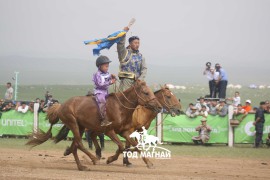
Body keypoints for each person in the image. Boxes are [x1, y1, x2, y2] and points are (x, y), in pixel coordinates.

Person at [117, 26, 147, 91]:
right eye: (135, 43)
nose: (137, 45)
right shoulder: (124, 53)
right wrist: (123, 33)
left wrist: (140, 79)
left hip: (137, 83)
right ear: (130, 44)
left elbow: (144, 69)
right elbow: (120, 45)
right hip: (126, 82)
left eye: (138, 43)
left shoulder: (141, 56)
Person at [93, 55, 116, 126]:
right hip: (99, 92)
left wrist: (113, 77)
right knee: (102, 102)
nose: (107, 68)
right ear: (100, 66)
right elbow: (100, 84)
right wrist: (110, 82)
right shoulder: (97, 74)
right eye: (106, 66)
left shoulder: (107, 73)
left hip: (106, 92)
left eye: (108, 66)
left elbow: (109, 79)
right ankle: (103, 119)